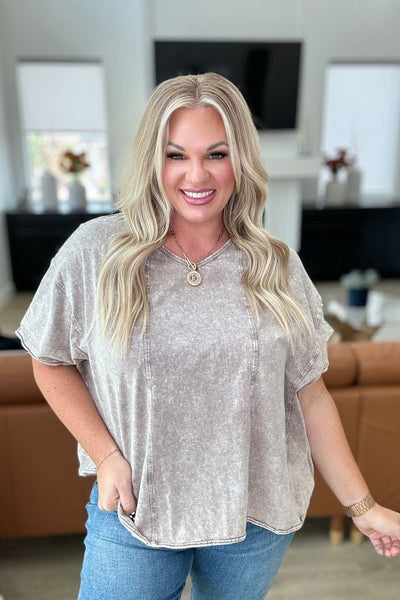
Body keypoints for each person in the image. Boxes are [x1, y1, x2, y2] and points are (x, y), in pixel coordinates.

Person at [17, 73, 400, 600]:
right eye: (176, 155)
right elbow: (49, 358)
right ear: (153, 159)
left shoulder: (276, 263)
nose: (196, 174)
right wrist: (105, 455)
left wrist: (363, 507)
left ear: (240, 160)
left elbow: (309, 395)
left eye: (216, 154)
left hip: (254, 515)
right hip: (136, 510)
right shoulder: (96, 252)